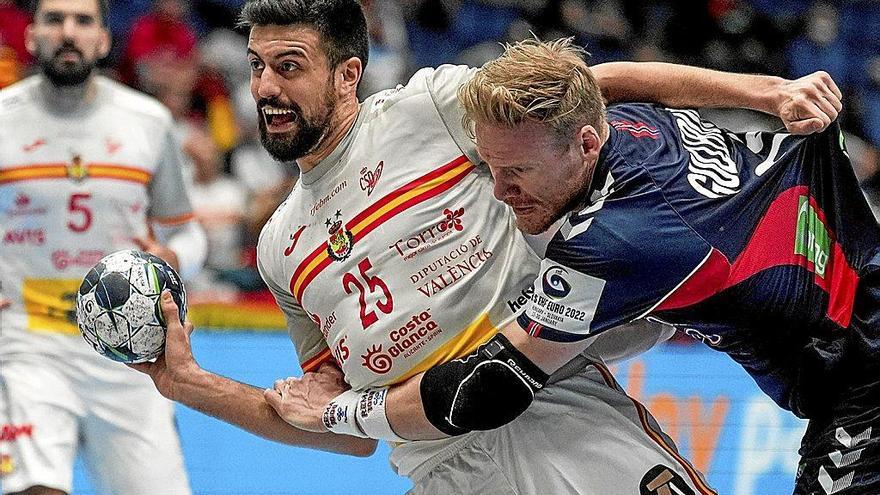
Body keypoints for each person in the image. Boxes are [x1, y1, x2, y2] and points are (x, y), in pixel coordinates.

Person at [133, 1, 841, 494]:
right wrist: (186, 381)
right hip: (438, 470)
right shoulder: (280, 246)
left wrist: (766, 93)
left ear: (347, 73)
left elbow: (583, 88)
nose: (264, 87)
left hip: (559, 419)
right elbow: (338, 422)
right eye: (256, 66)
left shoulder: (427, 108)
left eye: (289, 66)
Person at [0, 0, 207, 493]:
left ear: (104, 39)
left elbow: (185, 231)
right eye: (54, 19)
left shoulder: (148, 121)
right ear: (30, 37)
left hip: (130, 352)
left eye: (83, 20)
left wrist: (176, 258)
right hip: (27, 344)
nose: (67, 32)